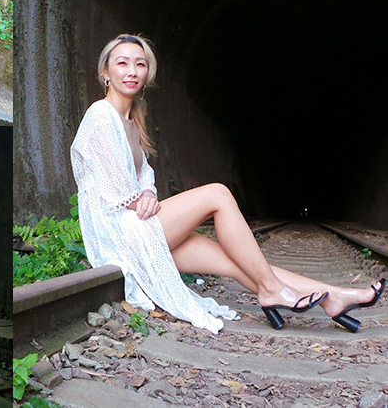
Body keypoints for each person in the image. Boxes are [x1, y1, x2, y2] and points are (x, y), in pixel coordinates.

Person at [70, 34, 385, 333]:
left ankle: (334, 295)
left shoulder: (131, 121)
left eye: (140, 63)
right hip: (120, 233)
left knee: (238, 263)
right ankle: (274, 291)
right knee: (218, 194)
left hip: (140, 226)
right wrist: (140, 200)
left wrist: (149, 193)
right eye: (122, 63)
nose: (132, 71)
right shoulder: (101, 115)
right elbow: (113, 187)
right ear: (105, 72)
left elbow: (144, 177)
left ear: (148, 71)